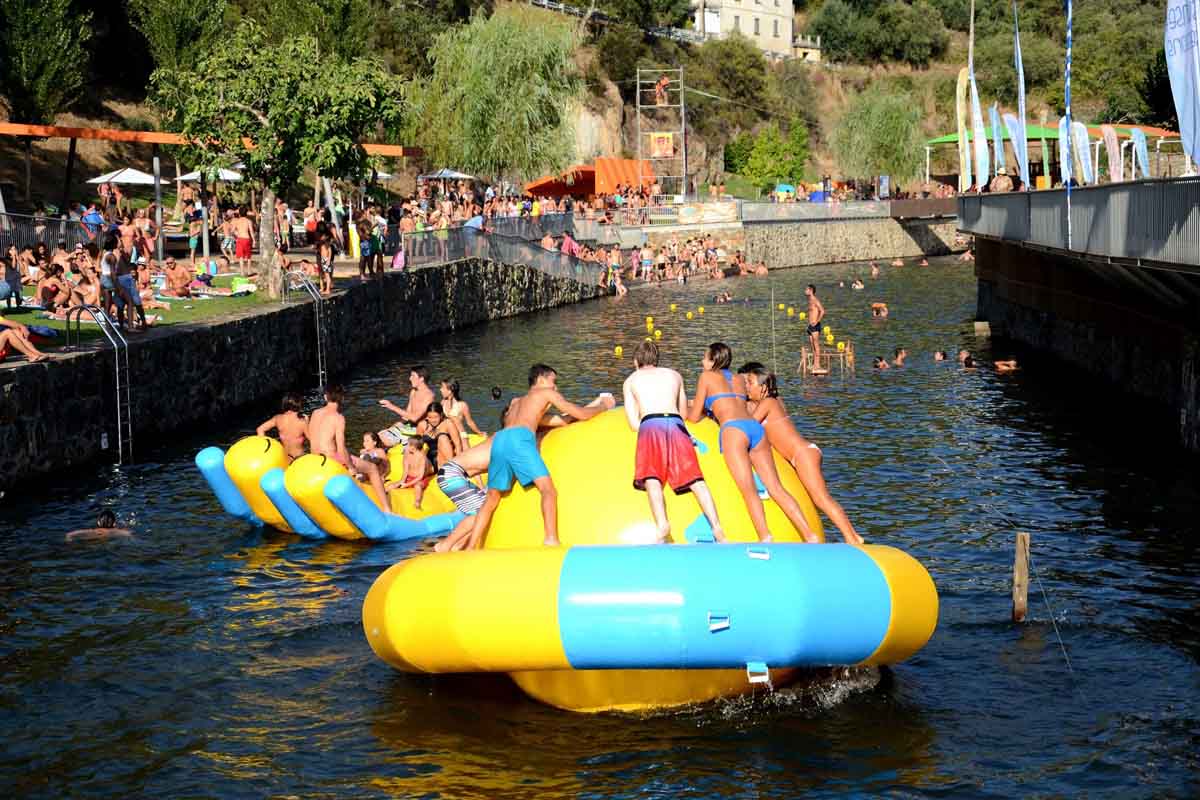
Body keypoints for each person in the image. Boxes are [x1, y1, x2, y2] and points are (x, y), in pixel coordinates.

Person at [464, 364, 615, 549]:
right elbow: (580, 415)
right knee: (548, 489)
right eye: (554, 381)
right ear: (542, 379)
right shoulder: (545, 393)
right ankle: (551, 539)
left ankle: (471, 547)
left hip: (500, 439)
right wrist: (602, 406)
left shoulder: (516, 402)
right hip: (520, 439)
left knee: (491, 498)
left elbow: (548, 419)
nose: (555, 387)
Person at [686, 343, 817, 543]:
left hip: (733, 431)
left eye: (704, 358)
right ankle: (810, 534)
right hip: (755, 429)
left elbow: (695, 417)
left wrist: (680, 411)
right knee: (776, 487)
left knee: (748, 490)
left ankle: (765, 536)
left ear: (713, 360)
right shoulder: (740, 379)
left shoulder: (706, 376)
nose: (702, 362)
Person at [740, 362, 864, 545]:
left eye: (750, 383)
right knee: (818, 499)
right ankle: (852, 536)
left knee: (821, 498)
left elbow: (750, 425)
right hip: (800, 455)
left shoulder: (769, 402)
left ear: (764, 387)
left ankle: (852, 537)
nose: (746, 387)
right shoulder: (769, 402)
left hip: (803, 454)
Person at [622, 341, 725, 544]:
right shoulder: (674, 375)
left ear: (636, 361)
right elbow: (684, 412)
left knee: (652, 477)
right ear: (657, 359)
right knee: (696, 479)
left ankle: (662, 524)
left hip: (651, 423)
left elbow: (634, 423)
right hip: (676, 424)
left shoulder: (631, 380)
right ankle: (717, 527)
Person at [308, 384, 390, 510]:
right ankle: (387, 510)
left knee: (355, 459)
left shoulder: (315, 413)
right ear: (342, 399)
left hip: (314, 458)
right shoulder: (338, 418)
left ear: (325, 397)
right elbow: (340, 448)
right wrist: (351, 468)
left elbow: (312, 438)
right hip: (330, 459)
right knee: (372, 468)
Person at [433, 435, 495, 552]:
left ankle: (458, 545)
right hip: (452, 474)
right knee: (480, 512)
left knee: (483, 509)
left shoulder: (502, 437)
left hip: (453, 474)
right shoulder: (507, 439)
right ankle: (444, 545)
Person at [378, 365, 436, 446]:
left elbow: (415, 418)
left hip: (419, 429)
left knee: (383, 439)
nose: (410, 378)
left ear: (421, 379)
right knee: (380, 434)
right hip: (409, 426)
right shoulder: (413, 391)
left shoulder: (429, 396)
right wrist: (393, 427)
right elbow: (407, 416)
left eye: (413, 376)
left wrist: (391, 406)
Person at [256, 392, 309, 460]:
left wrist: (266, 448)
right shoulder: (302, 422)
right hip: (299, 458)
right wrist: (307, 422)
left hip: (285, 458)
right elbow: (312, 439)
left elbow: (260, 429)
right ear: (299, 405)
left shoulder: (278, 419)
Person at [65, 509, 132, 542]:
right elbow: (130, 536)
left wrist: (69, 541)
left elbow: (69, 535)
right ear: (114, 523)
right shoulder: (119, 532)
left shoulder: (92, 531)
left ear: (98, 523)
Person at [804, 284, 827, 374]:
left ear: (811, 290)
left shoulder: (815, 300)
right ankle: (814, 363)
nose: (805, 291)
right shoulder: (809, 300)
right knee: (812, 345)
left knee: (816, 345)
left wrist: (817, 321)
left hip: (815, 326)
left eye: (806, 289)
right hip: (810, 326)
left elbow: (822, 311)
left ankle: (817, 365)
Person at [231, 207, 256, 275]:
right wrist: (254, 240)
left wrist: (237, 234)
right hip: (247, 238)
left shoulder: (237, 221)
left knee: (241, 257)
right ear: (246, 213)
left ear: (239, 213)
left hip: (240, 239)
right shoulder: (248, 221)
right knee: (248, 256)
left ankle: (242, 272)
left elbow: (232, 231)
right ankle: (249, 271)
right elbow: (251, 231)